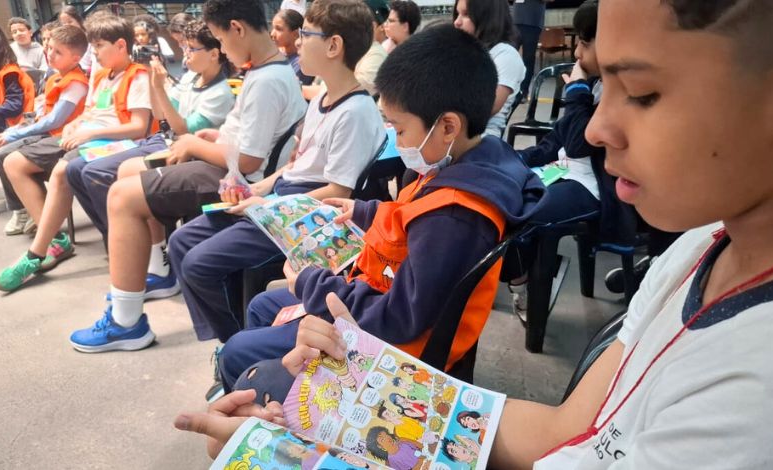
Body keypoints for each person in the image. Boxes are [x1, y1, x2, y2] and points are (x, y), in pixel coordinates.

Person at [181, 1, 773, 468]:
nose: (596, 129)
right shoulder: (699, 249)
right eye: (604, 89)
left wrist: (304, 453)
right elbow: (565, 430)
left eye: (646, 94)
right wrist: (339, 413)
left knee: (256, 375)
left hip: (396, 332)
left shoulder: (763, 389)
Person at [212, 25, 544, 390]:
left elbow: (399, 318)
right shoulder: (467, 165)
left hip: (386, 352)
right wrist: (365, 211)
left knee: (237, 352)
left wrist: (312, 282)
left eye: (399, 130)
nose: (397, 141)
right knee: (262, 306)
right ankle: (271, 386)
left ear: (448, 126)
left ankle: (262, 395)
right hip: (377, 295)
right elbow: (413, 219)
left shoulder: (455, 218)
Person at [67, 0, 307, 353]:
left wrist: (194, 142)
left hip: (236, 178)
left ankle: (126, 320)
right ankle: (152, 277)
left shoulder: (267, 79)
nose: (222, 49)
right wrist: (212, 138)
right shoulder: (266, 71)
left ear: (237, 28)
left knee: (122, 196)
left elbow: (250, 158)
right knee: (127, 175)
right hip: (229, 168)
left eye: (220, 41)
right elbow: (248, 140)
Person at [168, 0, 386, 366]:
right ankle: (239, 342)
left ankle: (235, 346)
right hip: (283, 197)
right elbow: (296, 164)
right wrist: (259, 188)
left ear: (333, 46)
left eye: (305, 34)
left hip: (305, 214)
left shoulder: (356, 111)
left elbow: (337, 192)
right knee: (180, 241)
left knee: (198, 264)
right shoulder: (321, 100)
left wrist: (269, 206)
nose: (296, 42)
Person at [501, 0, 637, 322]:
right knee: (505, 192)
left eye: (585, 43)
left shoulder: (621, 92)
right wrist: (512, 159)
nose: (577, 53)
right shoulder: (595, 84)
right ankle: (526, 277)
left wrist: (576, 89)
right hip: (567, 171)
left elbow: (578, 146)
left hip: (600, 186)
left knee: (526, 213)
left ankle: (529, 287)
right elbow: (556, 141)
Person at [0, 16, 150, 292]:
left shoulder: (137, 75)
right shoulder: (101, 75)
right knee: (38, 165)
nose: (95, 53)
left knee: (63, 171)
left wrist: (87, 133)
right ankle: (44, 247)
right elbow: (91, 112)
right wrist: (77, 125)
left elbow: (138, 127)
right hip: (90, 138)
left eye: (99, 46)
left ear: (121, 45)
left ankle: (37, 252)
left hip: (121, 143)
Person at [65, 19, 234, 251]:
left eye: (191, 49)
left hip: (182, 146)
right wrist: (156, 85)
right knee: (74, 169)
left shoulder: (219, 93)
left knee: (97, 171)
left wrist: (158, 88)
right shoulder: (189, 78)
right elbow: (159, 114)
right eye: (184, 48)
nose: (185, 55)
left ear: (214, 54)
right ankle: (118, 237)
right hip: (163, 139)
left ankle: (135, 245)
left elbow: (183, 129)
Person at [0, 25, 89, 238]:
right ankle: (27, 210)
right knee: (1, 154)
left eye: (58, 52)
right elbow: (42, 114)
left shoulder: (76, 83)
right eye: (50, 48)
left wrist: (13, 134)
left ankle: (46, 224)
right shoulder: (55, 76)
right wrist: (18, 128)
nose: (50, 55)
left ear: (75, 58)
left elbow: (54, 120)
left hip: (63, 138)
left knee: (9, 156)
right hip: (50, 133)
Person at [454, 0, 526, 138]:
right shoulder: (465, 51)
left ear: (487, 17)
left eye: (466, 14)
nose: (457, 22)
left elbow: (487, 107)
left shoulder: (505, 54)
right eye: (457, 14)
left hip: (480, 137)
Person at [301, 0, 388, 98]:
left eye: (306, 34)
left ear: (372, 26)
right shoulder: (337, 48)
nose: (298, 42)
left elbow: (349, 91)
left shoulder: (376, 55)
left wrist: (300, 90)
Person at [509, 0, 553, 99]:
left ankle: (523, 91)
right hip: (515, 20)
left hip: (532, 21)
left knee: (528, 59)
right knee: (509, 55)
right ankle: (507, 88)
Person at [271, 9, 314, 85]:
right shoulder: (275, 54)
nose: (272, 34)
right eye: (273, 28)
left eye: (278, 29)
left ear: (295, 34)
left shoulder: (302, 63)